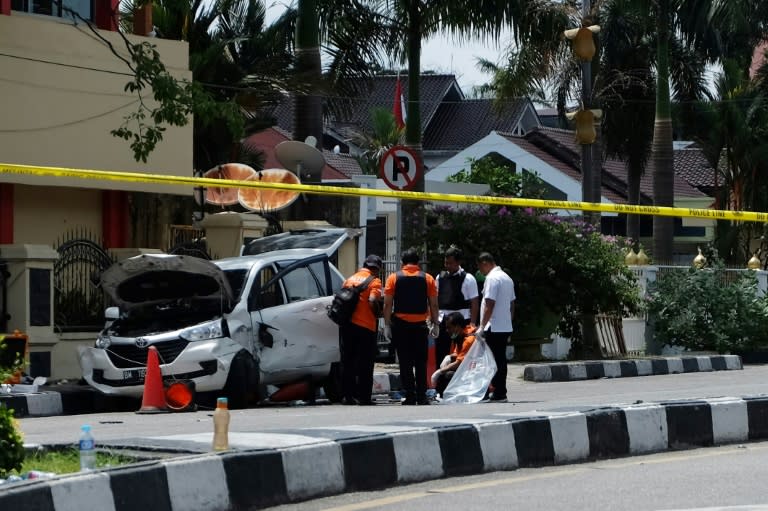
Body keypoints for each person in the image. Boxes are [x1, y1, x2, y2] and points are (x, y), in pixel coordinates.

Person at [383, 247, 439, 405]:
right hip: (421, 326)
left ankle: (410, 395)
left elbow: (387, 304)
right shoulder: (428, 278)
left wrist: (387, 325)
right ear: (418, 262)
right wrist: (436, 324)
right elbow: (434, 304)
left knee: (405, 362)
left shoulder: (393, 278)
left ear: (402, 262)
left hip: (401, 326)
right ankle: (422, 396)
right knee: (421, 361)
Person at [339, 254, 384, 406]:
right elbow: (372, 301)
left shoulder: (349, 279)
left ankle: (347, 396)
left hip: (347, 326)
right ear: (377, 269)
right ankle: (364, 397)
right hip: (365, 328)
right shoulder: (375, 281)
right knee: (365, 364)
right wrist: (378, 313)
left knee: (348, 362)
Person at [475, 252, 515, 402]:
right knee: (500, 360)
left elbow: (489, 304)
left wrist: (482, 326)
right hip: (503, 326)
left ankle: (493, 392)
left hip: (493, 326)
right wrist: (509, 322)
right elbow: (512, 304)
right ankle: (500, 391)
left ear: (485, 263)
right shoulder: (507, 278)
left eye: (480, 267)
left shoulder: (492, 278)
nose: (480, 271)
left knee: (489, 361)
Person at [435, 246, 479, 367]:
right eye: (446, 263)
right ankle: (441, 383)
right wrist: (433, 321)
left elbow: (474, 302)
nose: (447, 265)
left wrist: (473, 324)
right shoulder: (440, 277)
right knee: (441, 352)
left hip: (461, 321)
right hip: (443, 320)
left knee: (460, 353)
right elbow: (435, 300)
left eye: (450, 263)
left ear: (458, 262)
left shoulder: (468, 279)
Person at [432, 312, 476, 398]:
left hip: (475, 372)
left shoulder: (468, 339)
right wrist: (449, 357)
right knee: (447, 368)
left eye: (449, 328)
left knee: (448, 374)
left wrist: (439, 372)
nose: (447, 330)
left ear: (458, 327)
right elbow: (458, 354)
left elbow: (458, 363)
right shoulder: (460, 336)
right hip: (469, 368)